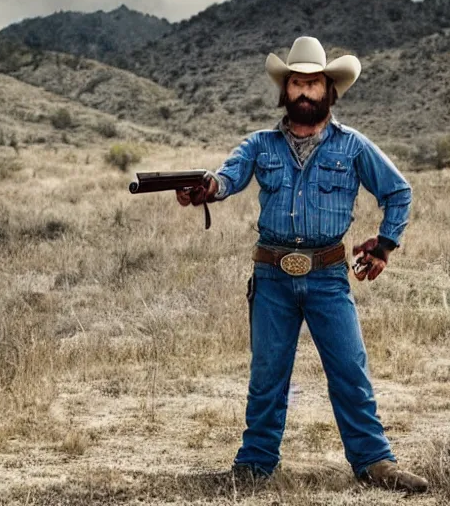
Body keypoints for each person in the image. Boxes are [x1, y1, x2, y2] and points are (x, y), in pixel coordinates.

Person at [176, 36, 428, 493]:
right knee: (268, 373)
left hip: (329, 275)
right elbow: (227, 176)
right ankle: (254, 466)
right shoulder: (260, 144)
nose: (305, 91)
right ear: (285, 89)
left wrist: (385, 245)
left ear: (329, 90)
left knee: (350, 369)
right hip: (272, 275)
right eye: (297, 82)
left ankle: (374, 462)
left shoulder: (353, 148)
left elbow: (398, 191)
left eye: (314, 83)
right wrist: (207, 188)